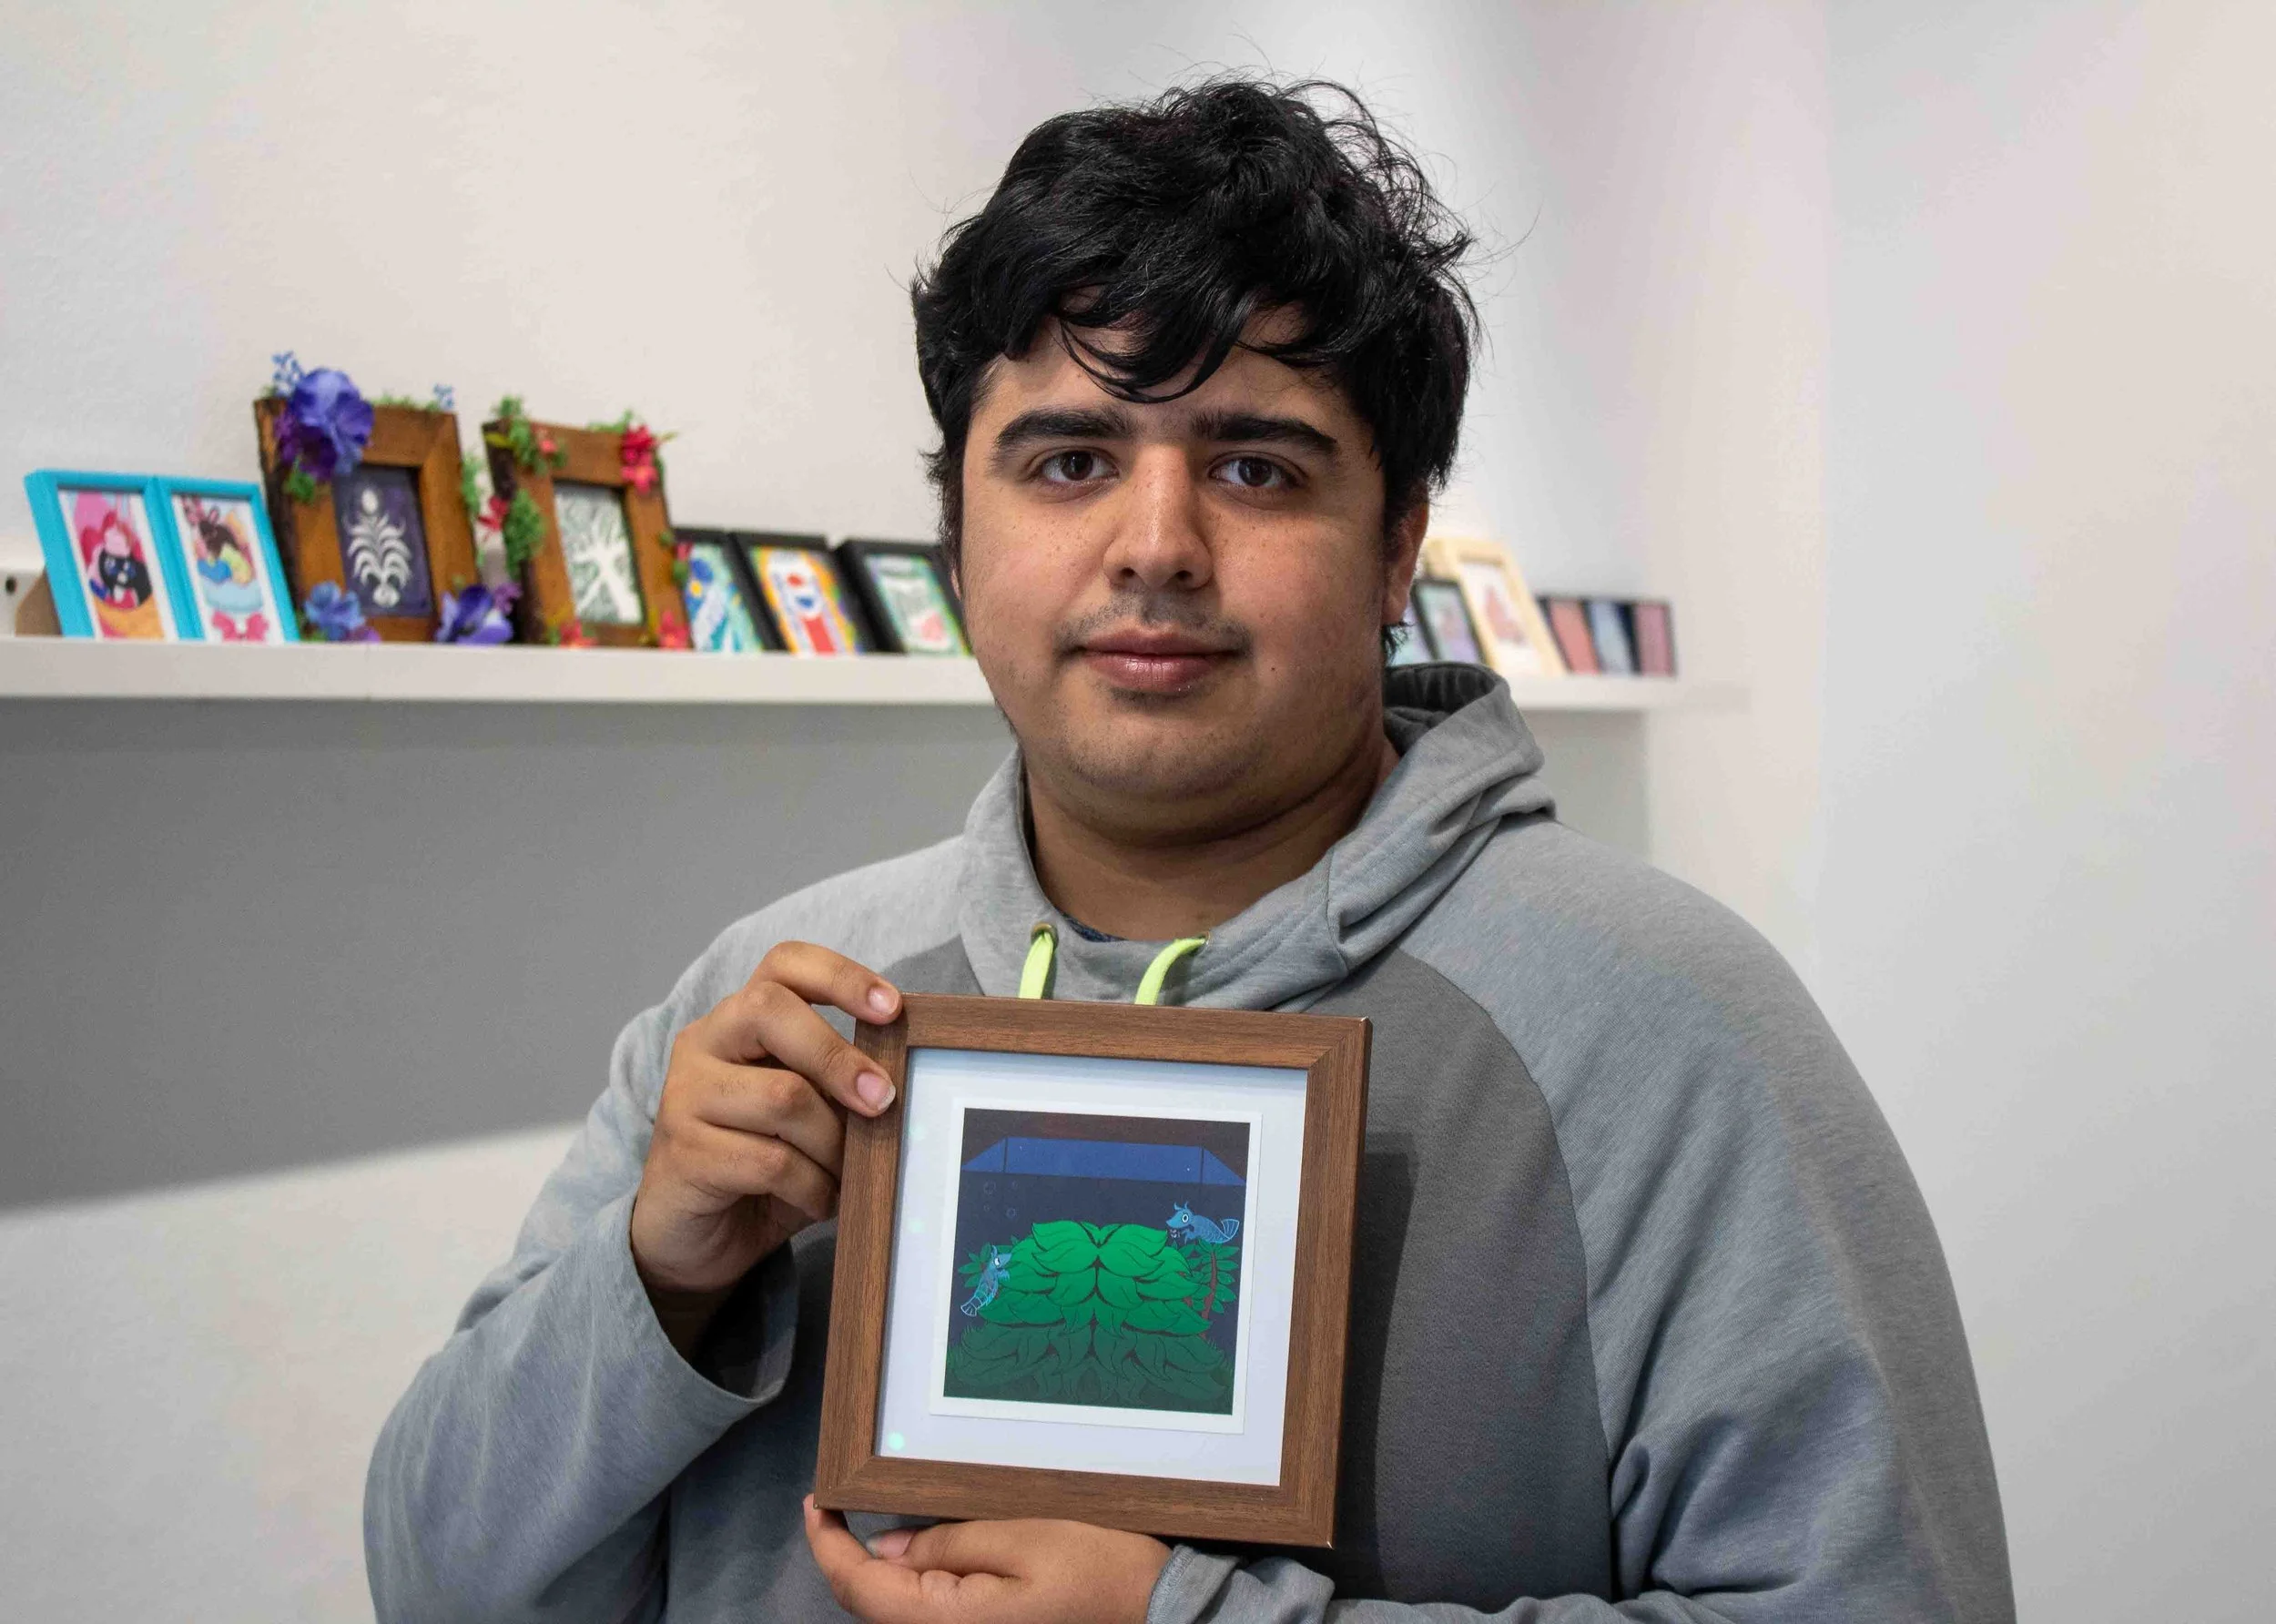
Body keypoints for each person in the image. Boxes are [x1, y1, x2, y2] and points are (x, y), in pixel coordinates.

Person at [366, 77, 2015, 1623]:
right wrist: (655, 1282)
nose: (1157, 547)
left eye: (1254, 466)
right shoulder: (784, 1005)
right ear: (958, 531)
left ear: (1398, 548)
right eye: (1070, 462)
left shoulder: (1667, 1036)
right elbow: (432, 1579)